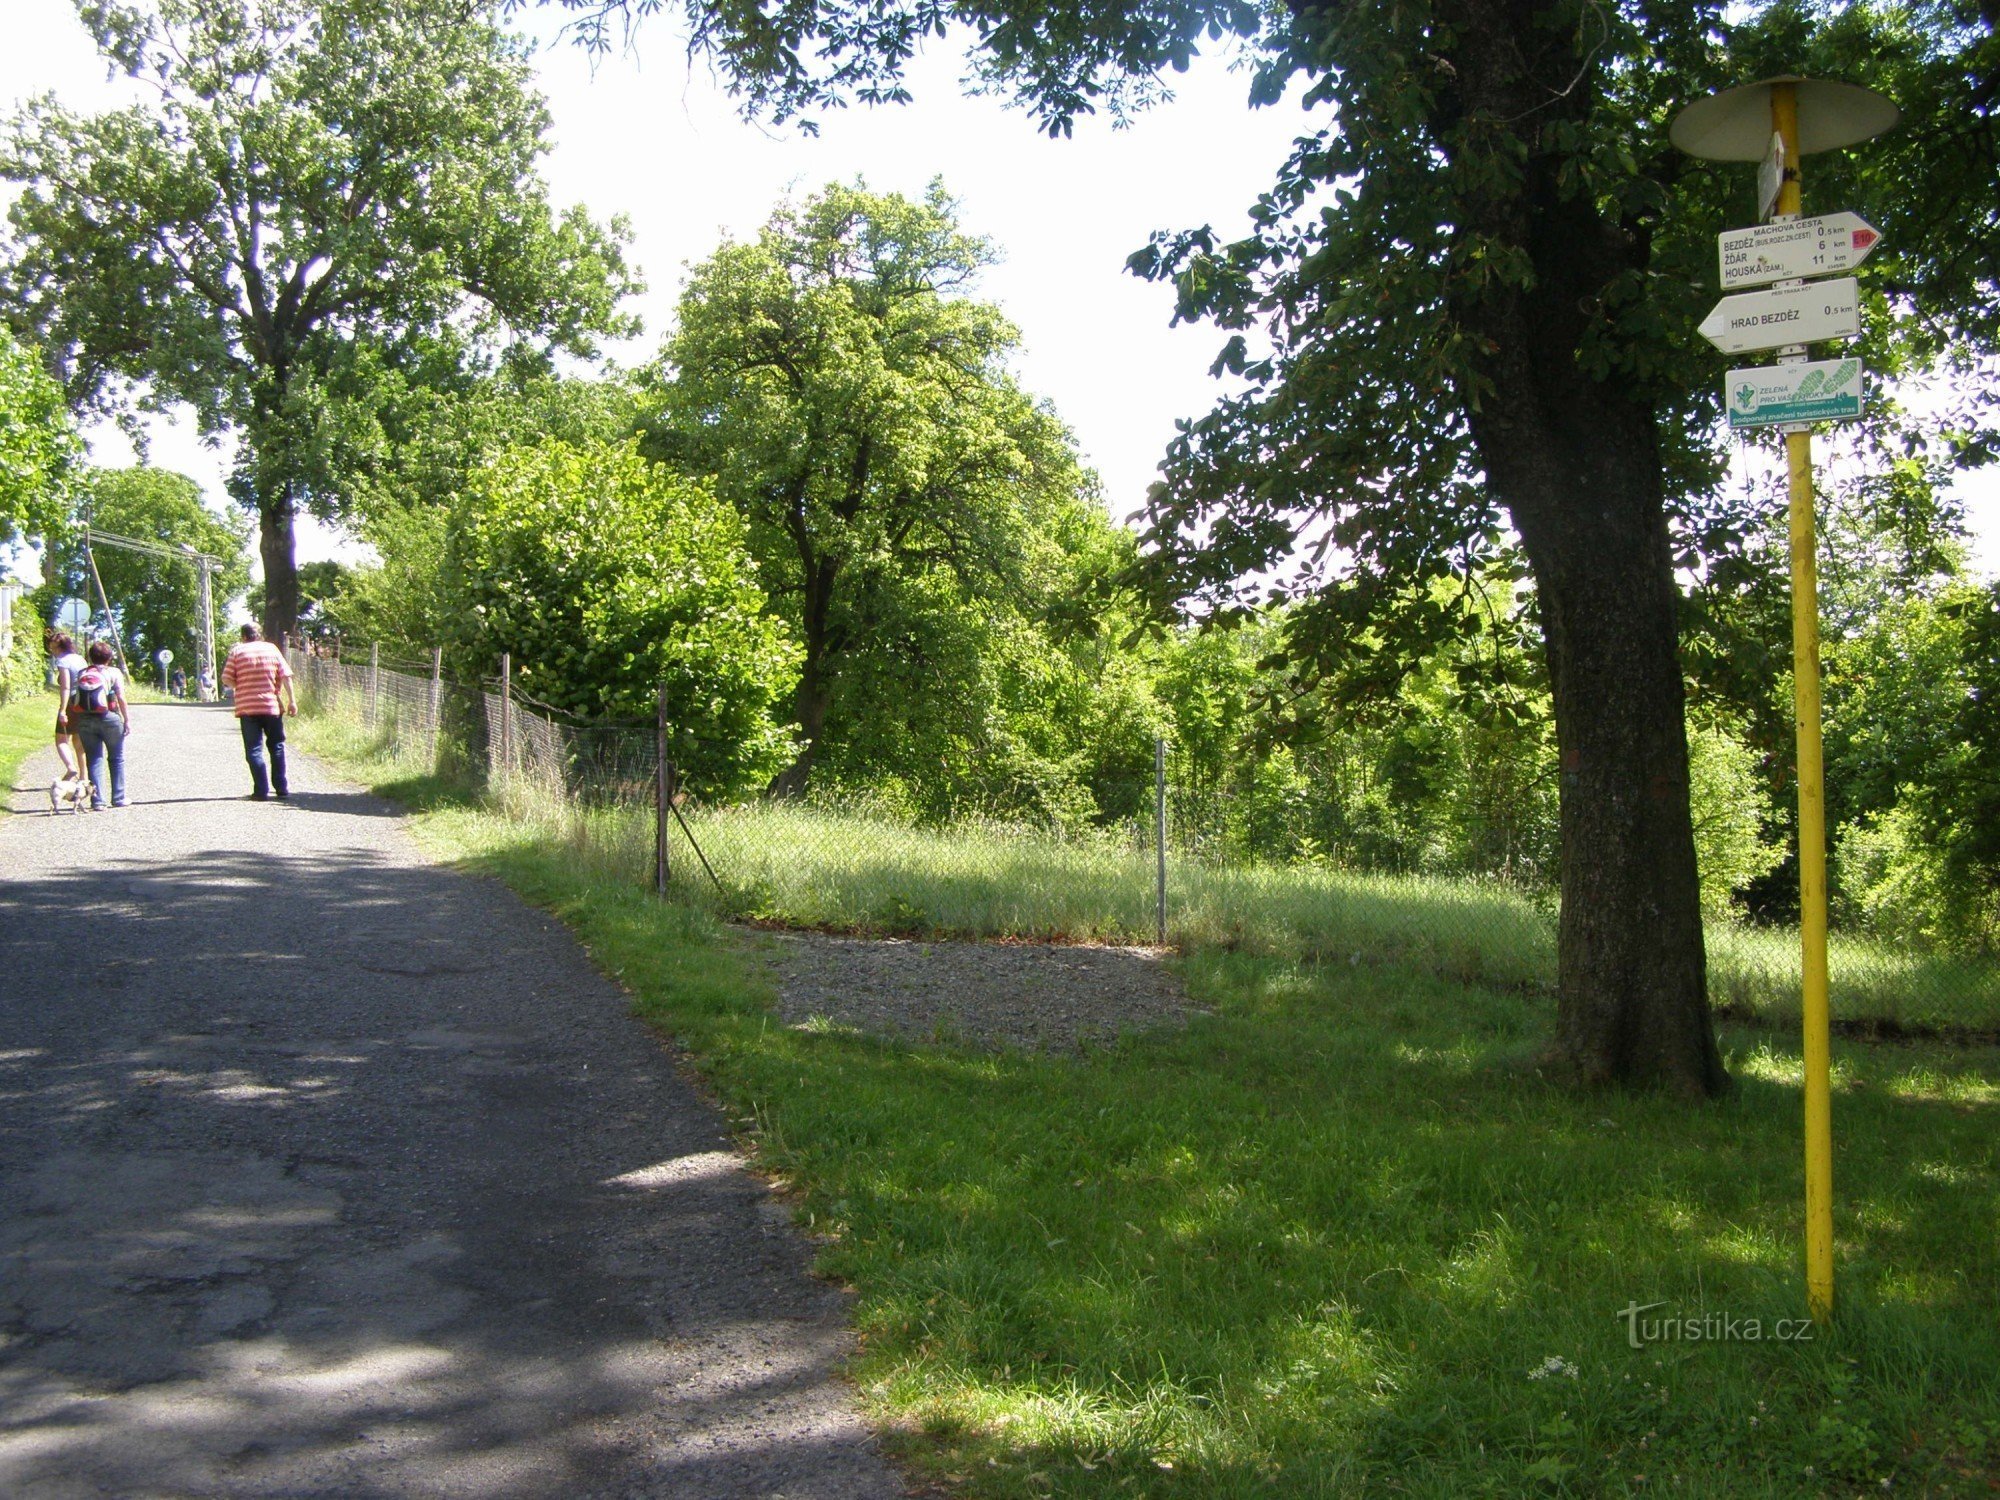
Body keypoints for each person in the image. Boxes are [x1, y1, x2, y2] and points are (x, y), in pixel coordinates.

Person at [220, 623, 297, 800]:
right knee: (276, 746)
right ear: (259, 635)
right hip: (272, 707)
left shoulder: (237, 652)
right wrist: (292, 701)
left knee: (254, 749)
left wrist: (240, 686)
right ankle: (281, 788)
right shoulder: (272, 649)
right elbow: (286, 676)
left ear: (243, 636)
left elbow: (226, 678)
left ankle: (261, 791)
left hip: (247, 708)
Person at [67, 640, 133, 810]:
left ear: (90, 657)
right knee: (116, 758)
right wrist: (126, 720)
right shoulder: (114, 672)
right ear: (109, 657)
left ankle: (97, 801)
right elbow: (121, 698)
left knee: (94, 759)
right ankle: (118, 797)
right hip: (109, 718)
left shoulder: (83, 673)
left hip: (85, 720)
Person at [47, 631, 85, 778]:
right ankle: (83, 777)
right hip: (83, 702)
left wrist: (63, 710)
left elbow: (66, 687)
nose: (54, 652)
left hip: (71, 702)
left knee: (61, 740)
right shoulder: (80, 659)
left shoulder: (62, 661)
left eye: (54, 648)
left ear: (60, 647)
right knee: (79, 742)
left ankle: (70, 767)